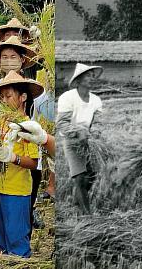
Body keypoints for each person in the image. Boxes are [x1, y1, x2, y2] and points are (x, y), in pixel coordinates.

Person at [0, 71, 43, 257]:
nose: (5, 100)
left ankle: (19, 259)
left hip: (16, 190)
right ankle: (4, 256)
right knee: (0, 231)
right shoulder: (1, 122)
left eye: (8, 96)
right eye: (3, 97)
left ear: (22, 97)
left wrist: (12, 157)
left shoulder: (28, 127)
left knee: (16, 234)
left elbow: (33, 162)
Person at [57, 63, 102, 215]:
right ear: (79, 79)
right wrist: (78, 132)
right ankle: (86, 215)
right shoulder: (68, 98)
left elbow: (97, 123)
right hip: (72, 140)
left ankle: (77, 198)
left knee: (92, 175)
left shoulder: (96, 100)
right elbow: (62, 123)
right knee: (80, 177)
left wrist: (95, 134)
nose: (92, 78)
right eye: (89, 76)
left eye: (93, 76)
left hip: (89, 140)